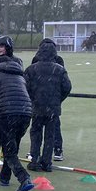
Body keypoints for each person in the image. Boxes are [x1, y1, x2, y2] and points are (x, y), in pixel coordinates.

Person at [0, 35, 35, 191]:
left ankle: (24, 178)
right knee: (12, 146)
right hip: (26, 113)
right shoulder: (20, 75)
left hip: (7, 114)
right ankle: (5, 176)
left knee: (9, 150)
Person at [24, 38, 71, 172]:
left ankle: (34, 160)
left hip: (37, 107)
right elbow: (67, 87)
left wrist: (33, 99)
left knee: (36, 134)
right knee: (50, 136)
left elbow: (25, 87)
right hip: (53, 107)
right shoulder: (59, 69)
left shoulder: (31, 69)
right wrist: (57, 100)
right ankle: (46, 162)